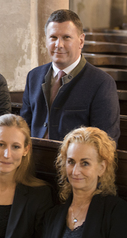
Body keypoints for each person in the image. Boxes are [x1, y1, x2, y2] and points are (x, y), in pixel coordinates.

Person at [33, 127, 127, 238]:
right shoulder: (53, 214)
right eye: (71, 162)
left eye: (85, 163)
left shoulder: (116, 211)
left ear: (101, 167)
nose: (75, 171)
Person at [20, 9, 120, 144]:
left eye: (66, 37)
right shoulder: (34, 76)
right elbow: (23, 128)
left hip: (74, 163)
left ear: (81, 41)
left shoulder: (102, 83)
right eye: (53, 37)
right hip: (33, 159)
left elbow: (106, 143)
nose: (58, 45)